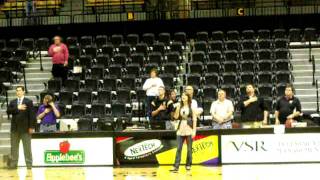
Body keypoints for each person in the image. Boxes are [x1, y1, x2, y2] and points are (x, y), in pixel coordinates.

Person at [6, 86, 36, 169]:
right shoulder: (13, 102)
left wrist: (31, 127)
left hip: (25, 129)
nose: (18, 92)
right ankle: (13, 164)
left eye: (19, 90)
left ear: (23, 92)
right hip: (14, 129)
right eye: (17, 91)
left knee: (27, 148)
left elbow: (32, 115)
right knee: (14, 148)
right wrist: (17, 108)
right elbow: (8, 111)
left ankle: (29, 165)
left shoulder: (28, 102)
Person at [170, 92, 197, 172]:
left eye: (185, 96)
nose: (183, 97)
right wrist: (177, 109)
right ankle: (176, 166)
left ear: (188, 97)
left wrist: (194, 130)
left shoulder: (191, 107)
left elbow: (194, 119)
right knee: (178, 148)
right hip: (180, 128)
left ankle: (188, 164)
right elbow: (175, 117)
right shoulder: (179, 106)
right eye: (182, 96)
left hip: (189, 128)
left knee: (189, 149)